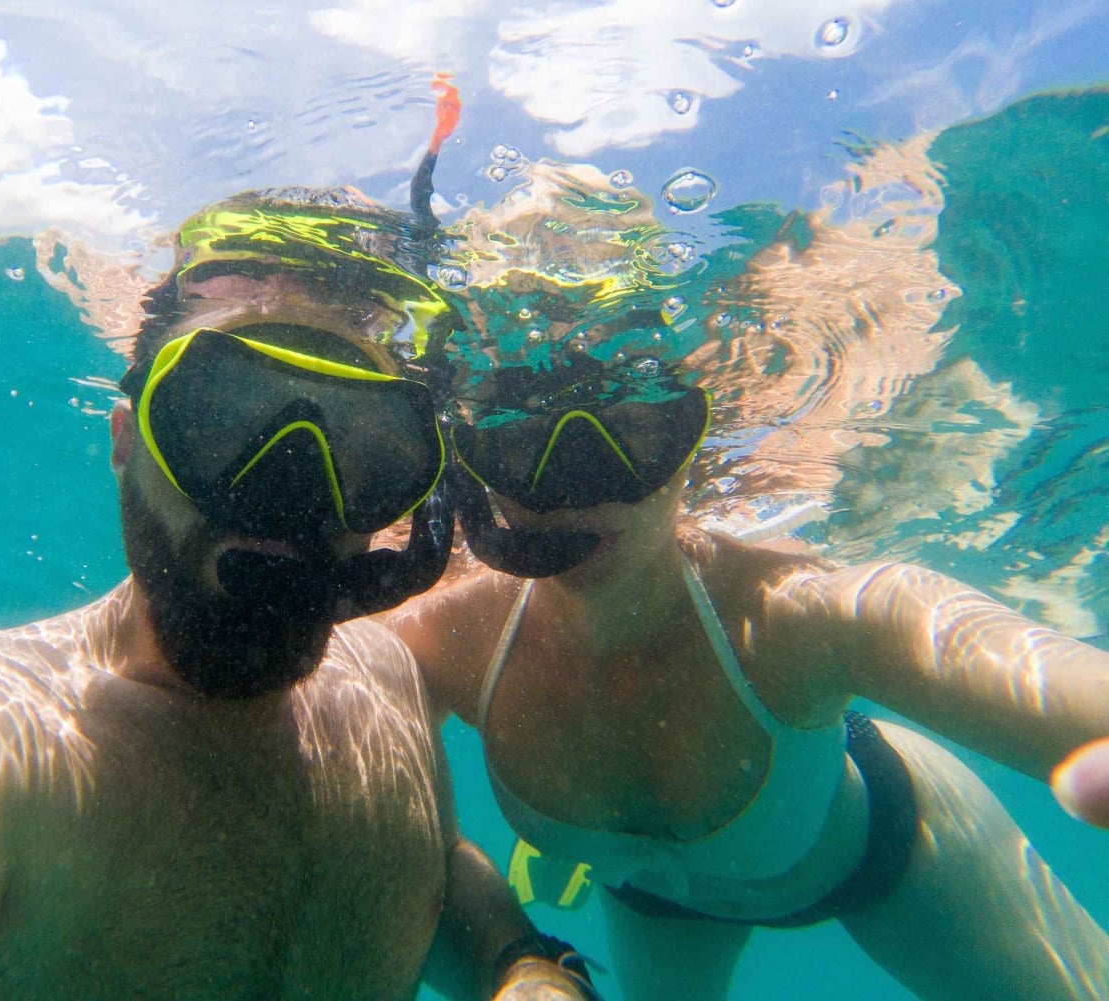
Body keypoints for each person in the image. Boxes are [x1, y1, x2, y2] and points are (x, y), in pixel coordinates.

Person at [0, 190, 601, 1001]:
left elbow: (423, 867)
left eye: (364, 446)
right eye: (223, 418)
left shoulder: (385, 681)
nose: (292, 493)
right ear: (127, 439)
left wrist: (523, 962)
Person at [380, 169, 1109, 999]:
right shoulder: (445, 640)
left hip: (896, 855)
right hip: (655, 905)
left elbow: (940, 634)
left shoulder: (793, 618)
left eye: (637, 427)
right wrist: (518, 960)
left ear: (695, 431)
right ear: (473, 460)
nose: (587, 486)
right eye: (523, 440)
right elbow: (373, 823)